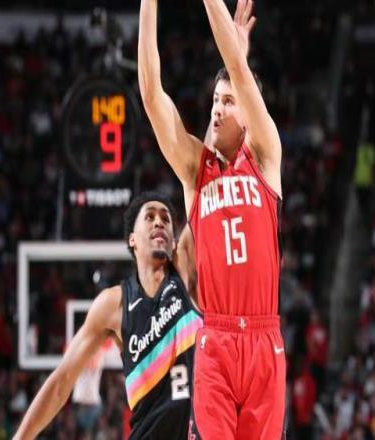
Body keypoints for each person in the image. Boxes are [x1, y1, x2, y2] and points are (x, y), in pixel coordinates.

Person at [138, 0, 285, 437]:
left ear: (248, 113)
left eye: (227, 101)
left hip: (264, 340)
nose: (216, 109)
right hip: (216, 339)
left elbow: (238, 70)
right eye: (214, 101)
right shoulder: (195, 170)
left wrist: (236, 55)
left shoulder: (265, 157)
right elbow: (152, 96)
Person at [13, 191, 202, 439]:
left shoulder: (185, 272)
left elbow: (200, 191)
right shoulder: (114, 304)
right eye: (150, 217)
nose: (159, 222)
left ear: (174, 242)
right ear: (132, 239)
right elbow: (62, 381)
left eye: (166, 219)